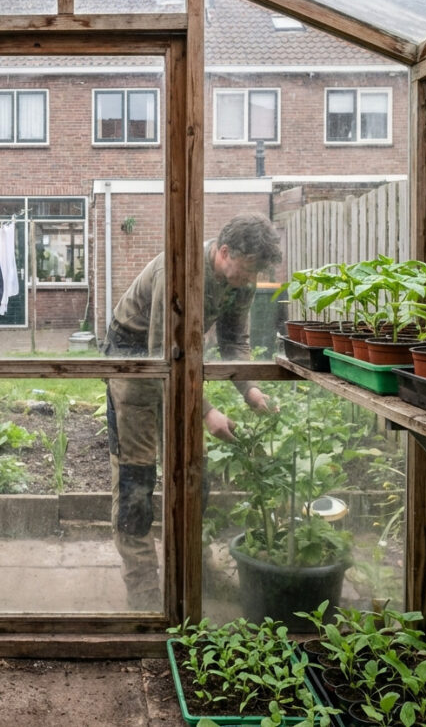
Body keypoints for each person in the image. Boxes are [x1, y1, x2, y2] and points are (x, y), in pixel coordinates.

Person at [102, 212, 283, 610]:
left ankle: (194, 574)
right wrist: (207, 412)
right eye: (248, 270)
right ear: (223, 252)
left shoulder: (240, 281)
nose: (251, 282)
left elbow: (235, 342)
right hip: (134, 360)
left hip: (174, 360)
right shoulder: (179, 272)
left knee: (193, 473)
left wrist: (251, 390)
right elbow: (161, 357)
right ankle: (144, 590)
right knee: (137, 479)